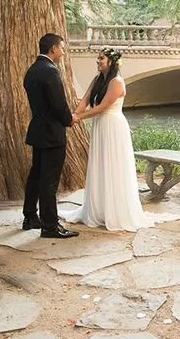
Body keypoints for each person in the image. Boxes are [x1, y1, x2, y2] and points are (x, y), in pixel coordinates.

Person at [60, 47, 153, 231]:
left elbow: (103, 107)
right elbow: (86, 99)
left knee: (113, 166)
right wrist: (73, 113)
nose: (97, 61)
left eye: (101, 59)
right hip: (100, 127)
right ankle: (99, 208)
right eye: (98, 58)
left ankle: (115, 211)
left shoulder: (117, 82)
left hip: (113, 127)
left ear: (110, 62)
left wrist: (79, 118)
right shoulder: (97, 80)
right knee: (100, 165)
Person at [23, 33, 80, 239]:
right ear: (54, 48)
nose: (63, 52)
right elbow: (58, 104)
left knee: (36, 175)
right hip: (52, 134)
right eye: (62, 48)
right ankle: (50, 226)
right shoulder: (50, 71)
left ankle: (30, 216)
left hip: (38, 130)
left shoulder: (32, 70)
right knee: (49, 181)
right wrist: (69, 119)